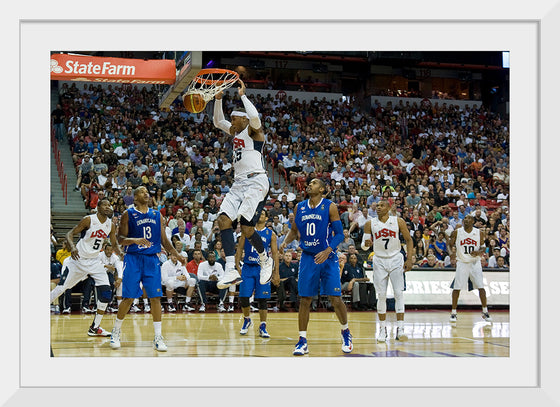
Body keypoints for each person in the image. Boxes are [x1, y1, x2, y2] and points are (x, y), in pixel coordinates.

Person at [280, 178, 353, 356]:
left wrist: (328, 251)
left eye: (313, 183)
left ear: (322, 189)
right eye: (309, 183)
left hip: (327, 258)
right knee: (304, 299)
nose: (308, 185)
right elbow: (294, 230)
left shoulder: (330, 206)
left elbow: (339, 235)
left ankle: (346, 332)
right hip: (308, 257)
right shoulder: (299, 207)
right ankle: (302, 340)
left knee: (335, 298)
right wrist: (285, 242)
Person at [212, 79, 273, 290]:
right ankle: (231, 269)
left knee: (246, 225)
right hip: (239, 183)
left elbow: (255, 116)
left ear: (243, 119)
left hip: (256, 179)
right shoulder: (237, 133)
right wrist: (218, 100)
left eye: (234, 118)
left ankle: (265, 259)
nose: (231, 121)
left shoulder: (253, 131)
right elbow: (217, 121)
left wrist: (243, 96)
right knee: (223, 220)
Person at [109, 186, 186, 352]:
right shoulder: (128, 214)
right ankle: (116, 331)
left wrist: (176, 254)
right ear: (135, 198)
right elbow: (121, 239)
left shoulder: (157, 214)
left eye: (147, 192)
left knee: (156, 297)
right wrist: (135, 240)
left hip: (152, 259)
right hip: (133, 258)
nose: (146, 193)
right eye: (142, 191)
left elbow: (164, 240)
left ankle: (158, 337)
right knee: (128, 297)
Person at [50, 199, 123, 337]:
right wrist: (72, 247)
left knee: (106, 294)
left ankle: (95, 327)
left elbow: (114, 244)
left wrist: (122, 254)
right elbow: (69, 234)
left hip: (95, 262)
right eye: (105, 205)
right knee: (61, 289)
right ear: (98, 207)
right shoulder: (88, 220)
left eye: (110, 205)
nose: (108, 207)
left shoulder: (111, 225)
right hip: (78, 261)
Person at [361, 199, 413, 342]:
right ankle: (382, 329)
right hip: (379, 260)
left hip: (396, 258)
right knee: (382, 295)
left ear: (389, 208)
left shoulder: (398, 221)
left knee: (398, 293)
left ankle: (400, 328)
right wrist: (366, 244)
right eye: (377, 205)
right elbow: (364, 247)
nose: (378, 207)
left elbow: (409, 240)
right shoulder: (370, 223)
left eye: (381, 205)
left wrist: (409, 259)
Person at [235, 209, 280, 337]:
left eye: (263, 214)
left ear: (267, 219)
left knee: (262, 299)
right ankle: (247, 319)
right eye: (259, 213)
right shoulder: (248, 231)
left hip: (263, 268)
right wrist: (237, 264)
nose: (260, 215)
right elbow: (239, 248)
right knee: (243, 297)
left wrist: (276, 272)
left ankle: (263, 325)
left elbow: (275, 254)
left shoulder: (270, 234)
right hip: (248, 267)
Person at [447, 214, 492, 323]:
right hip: (462, 262)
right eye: (465, 218)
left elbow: (483, 246)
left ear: (472, 221)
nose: (466, 220)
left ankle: (485, 311)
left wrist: (479, 252)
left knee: (481, 287)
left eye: (468, 219)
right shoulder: (457, 232)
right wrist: (451, 253)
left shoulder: (479, 233)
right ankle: (453, 312)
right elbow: (449, 244)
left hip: (475, 262)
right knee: (457, 288)